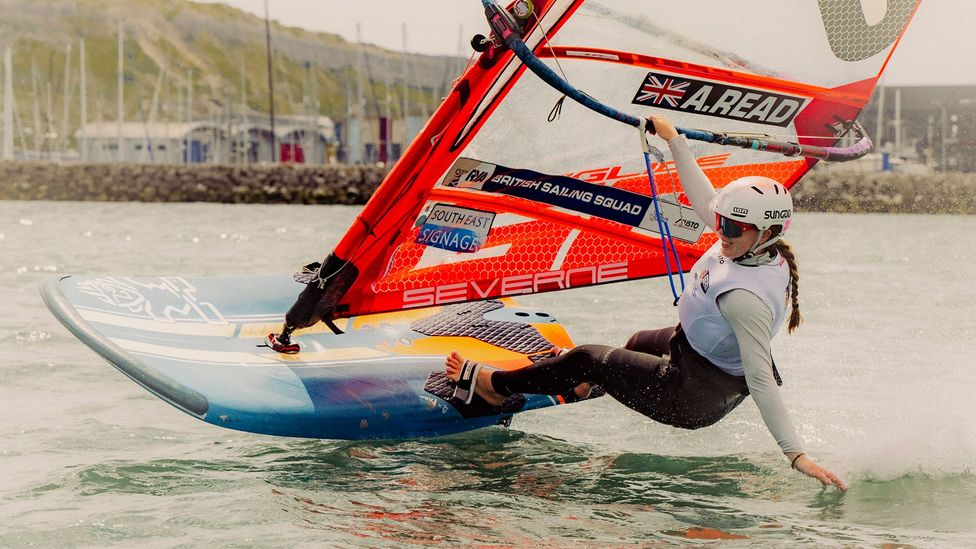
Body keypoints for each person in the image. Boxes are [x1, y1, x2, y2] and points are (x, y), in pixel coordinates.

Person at [444, 114, 846, 491]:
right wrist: (675, 141)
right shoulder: (746, 240)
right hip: (688, 350)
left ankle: (493, 386)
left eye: (733, 227)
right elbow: (704, 198)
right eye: (722, 221)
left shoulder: (746, 298)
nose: (721, 231)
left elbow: (760, 380)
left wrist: (795, 455)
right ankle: (581, 384)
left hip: (692, 395)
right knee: (636, 341)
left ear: (768, 232)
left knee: (588, 356)